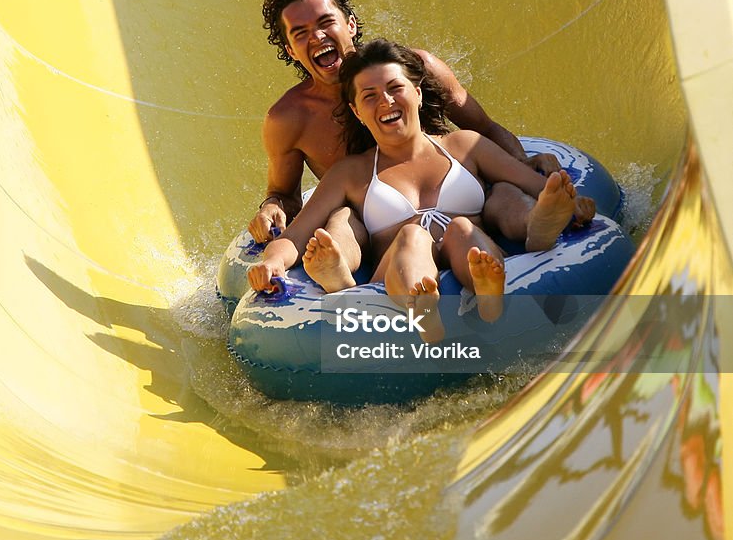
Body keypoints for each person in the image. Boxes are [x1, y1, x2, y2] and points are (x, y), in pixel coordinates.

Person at [246, 0, 592, 265]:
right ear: (291, 50)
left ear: (350, 25)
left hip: (459, 204)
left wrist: (522, 164)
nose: (318, 37)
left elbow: (482, 131)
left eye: (325, 23)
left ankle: (539, 220)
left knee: (503, 192)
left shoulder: (416, 71)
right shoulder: (288, 119)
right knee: (342, 218)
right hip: (378, 226)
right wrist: (271, 207)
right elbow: (284, 192)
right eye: (301, 33)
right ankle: (338, 276)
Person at [247, 40, 580, 340]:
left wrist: (569, 202)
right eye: (370, 96)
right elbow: (297, 233)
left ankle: (507, 274)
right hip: (397, 271)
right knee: (412, 237)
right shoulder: (352, 172)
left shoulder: (464, 146)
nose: (386, 101)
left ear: (418, 93)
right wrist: (272, 264)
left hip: (471, 254)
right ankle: (420, 309)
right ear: (357, 112)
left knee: (463, 228)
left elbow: (538, 186)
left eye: (396, 88)